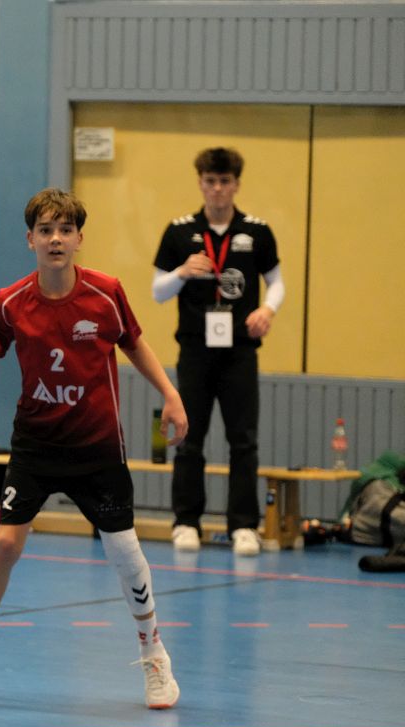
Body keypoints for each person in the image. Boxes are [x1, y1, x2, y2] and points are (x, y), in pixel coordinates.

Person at [0, 188, 187, 709]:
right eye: (46, 230)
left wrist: (171, 394)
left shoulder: (105, 294)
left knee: (123, 550)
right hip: (36, 444)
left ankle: (154, 653)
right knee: (6, 544)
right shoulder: (11, 302)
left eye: (65, 230)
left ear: (79, 239)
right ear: (30, 240)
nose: (55, 239)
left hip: (97, 446)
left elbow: (134, 343)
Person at [153, 147, 284, 557]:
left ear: (236, 185)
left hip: (240, 352)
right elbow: (157, 291)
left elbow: (277, 282)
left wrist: (267, 310)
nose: (217, 189)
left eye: (225, 182)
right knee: (188, 437)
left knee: (243, 440)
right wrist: (181, 272)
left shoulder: (256, 232)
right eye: (210, 181)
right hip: (195, 351)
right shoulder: (179, 232)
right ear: (200, 183)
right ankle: (185, 522)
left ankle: (243, 525)